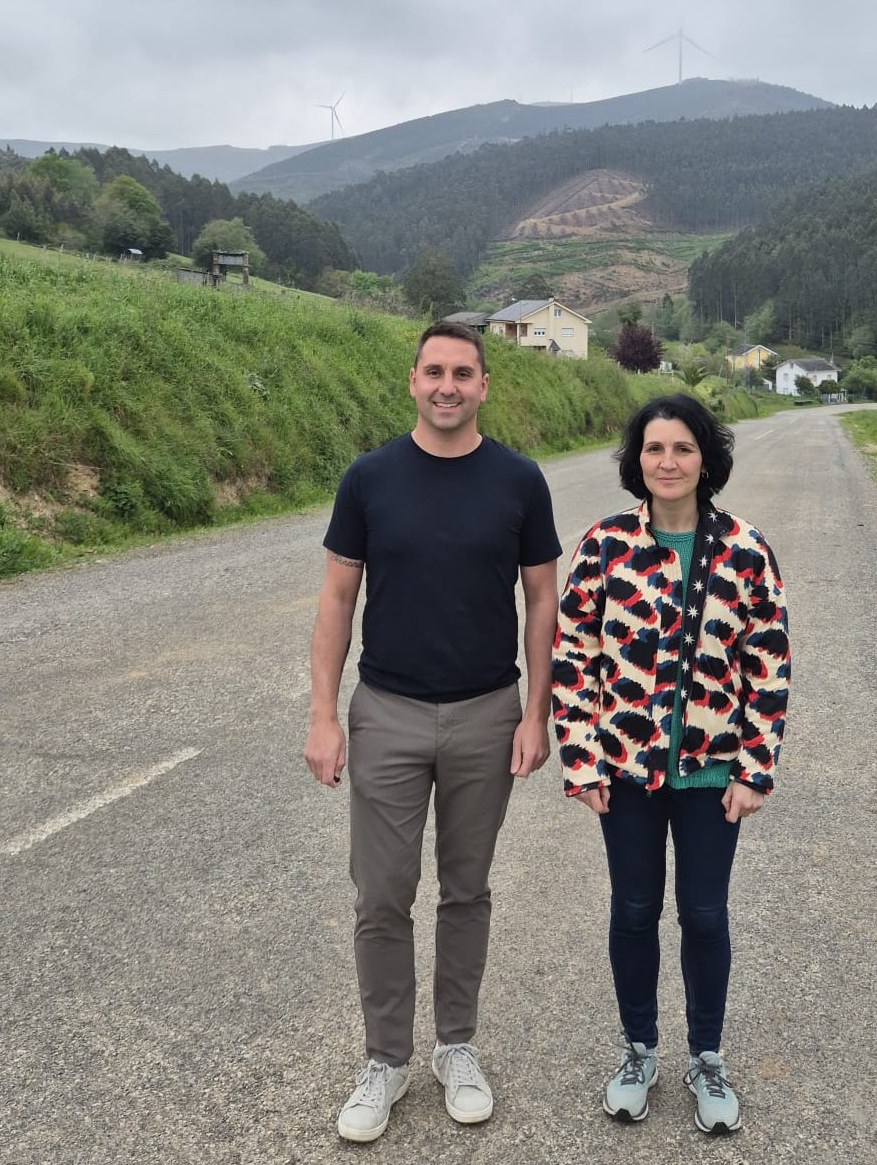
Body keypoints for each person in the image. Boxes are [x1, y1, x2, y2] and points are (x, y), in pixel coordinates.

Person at [305, 320, 561, 1144]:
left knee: (466, 890)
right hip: (387, 711)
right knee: (381, 895)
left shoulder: (520, 482)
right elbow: (338, 600)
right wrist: (322, 714)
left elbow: (542, 603)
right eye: (434, 372)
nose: (448, 385)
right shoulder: (370, 478)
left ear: (485, 385)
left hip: (489, 711)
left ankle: (456, 1047)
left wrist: (537, 713)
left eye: (463, 373)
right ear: (412, 381)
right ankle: (385, 1060)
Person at [551, 393, 790, 1135]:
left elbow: (769, 663)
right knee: (632, 910)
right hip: (626, 771)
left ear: (705, 458)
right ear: (636, 460)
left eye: (682, 448)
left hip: (712, 774)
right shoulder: (604, 546)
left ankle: (707, 1057)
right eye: (654, 449)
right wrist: (582, 759)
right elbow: (573, 657)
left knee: (704, 913)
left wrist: (756, 767)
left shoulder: (745, 549)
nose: (668, 462)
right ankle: (639, 1050)